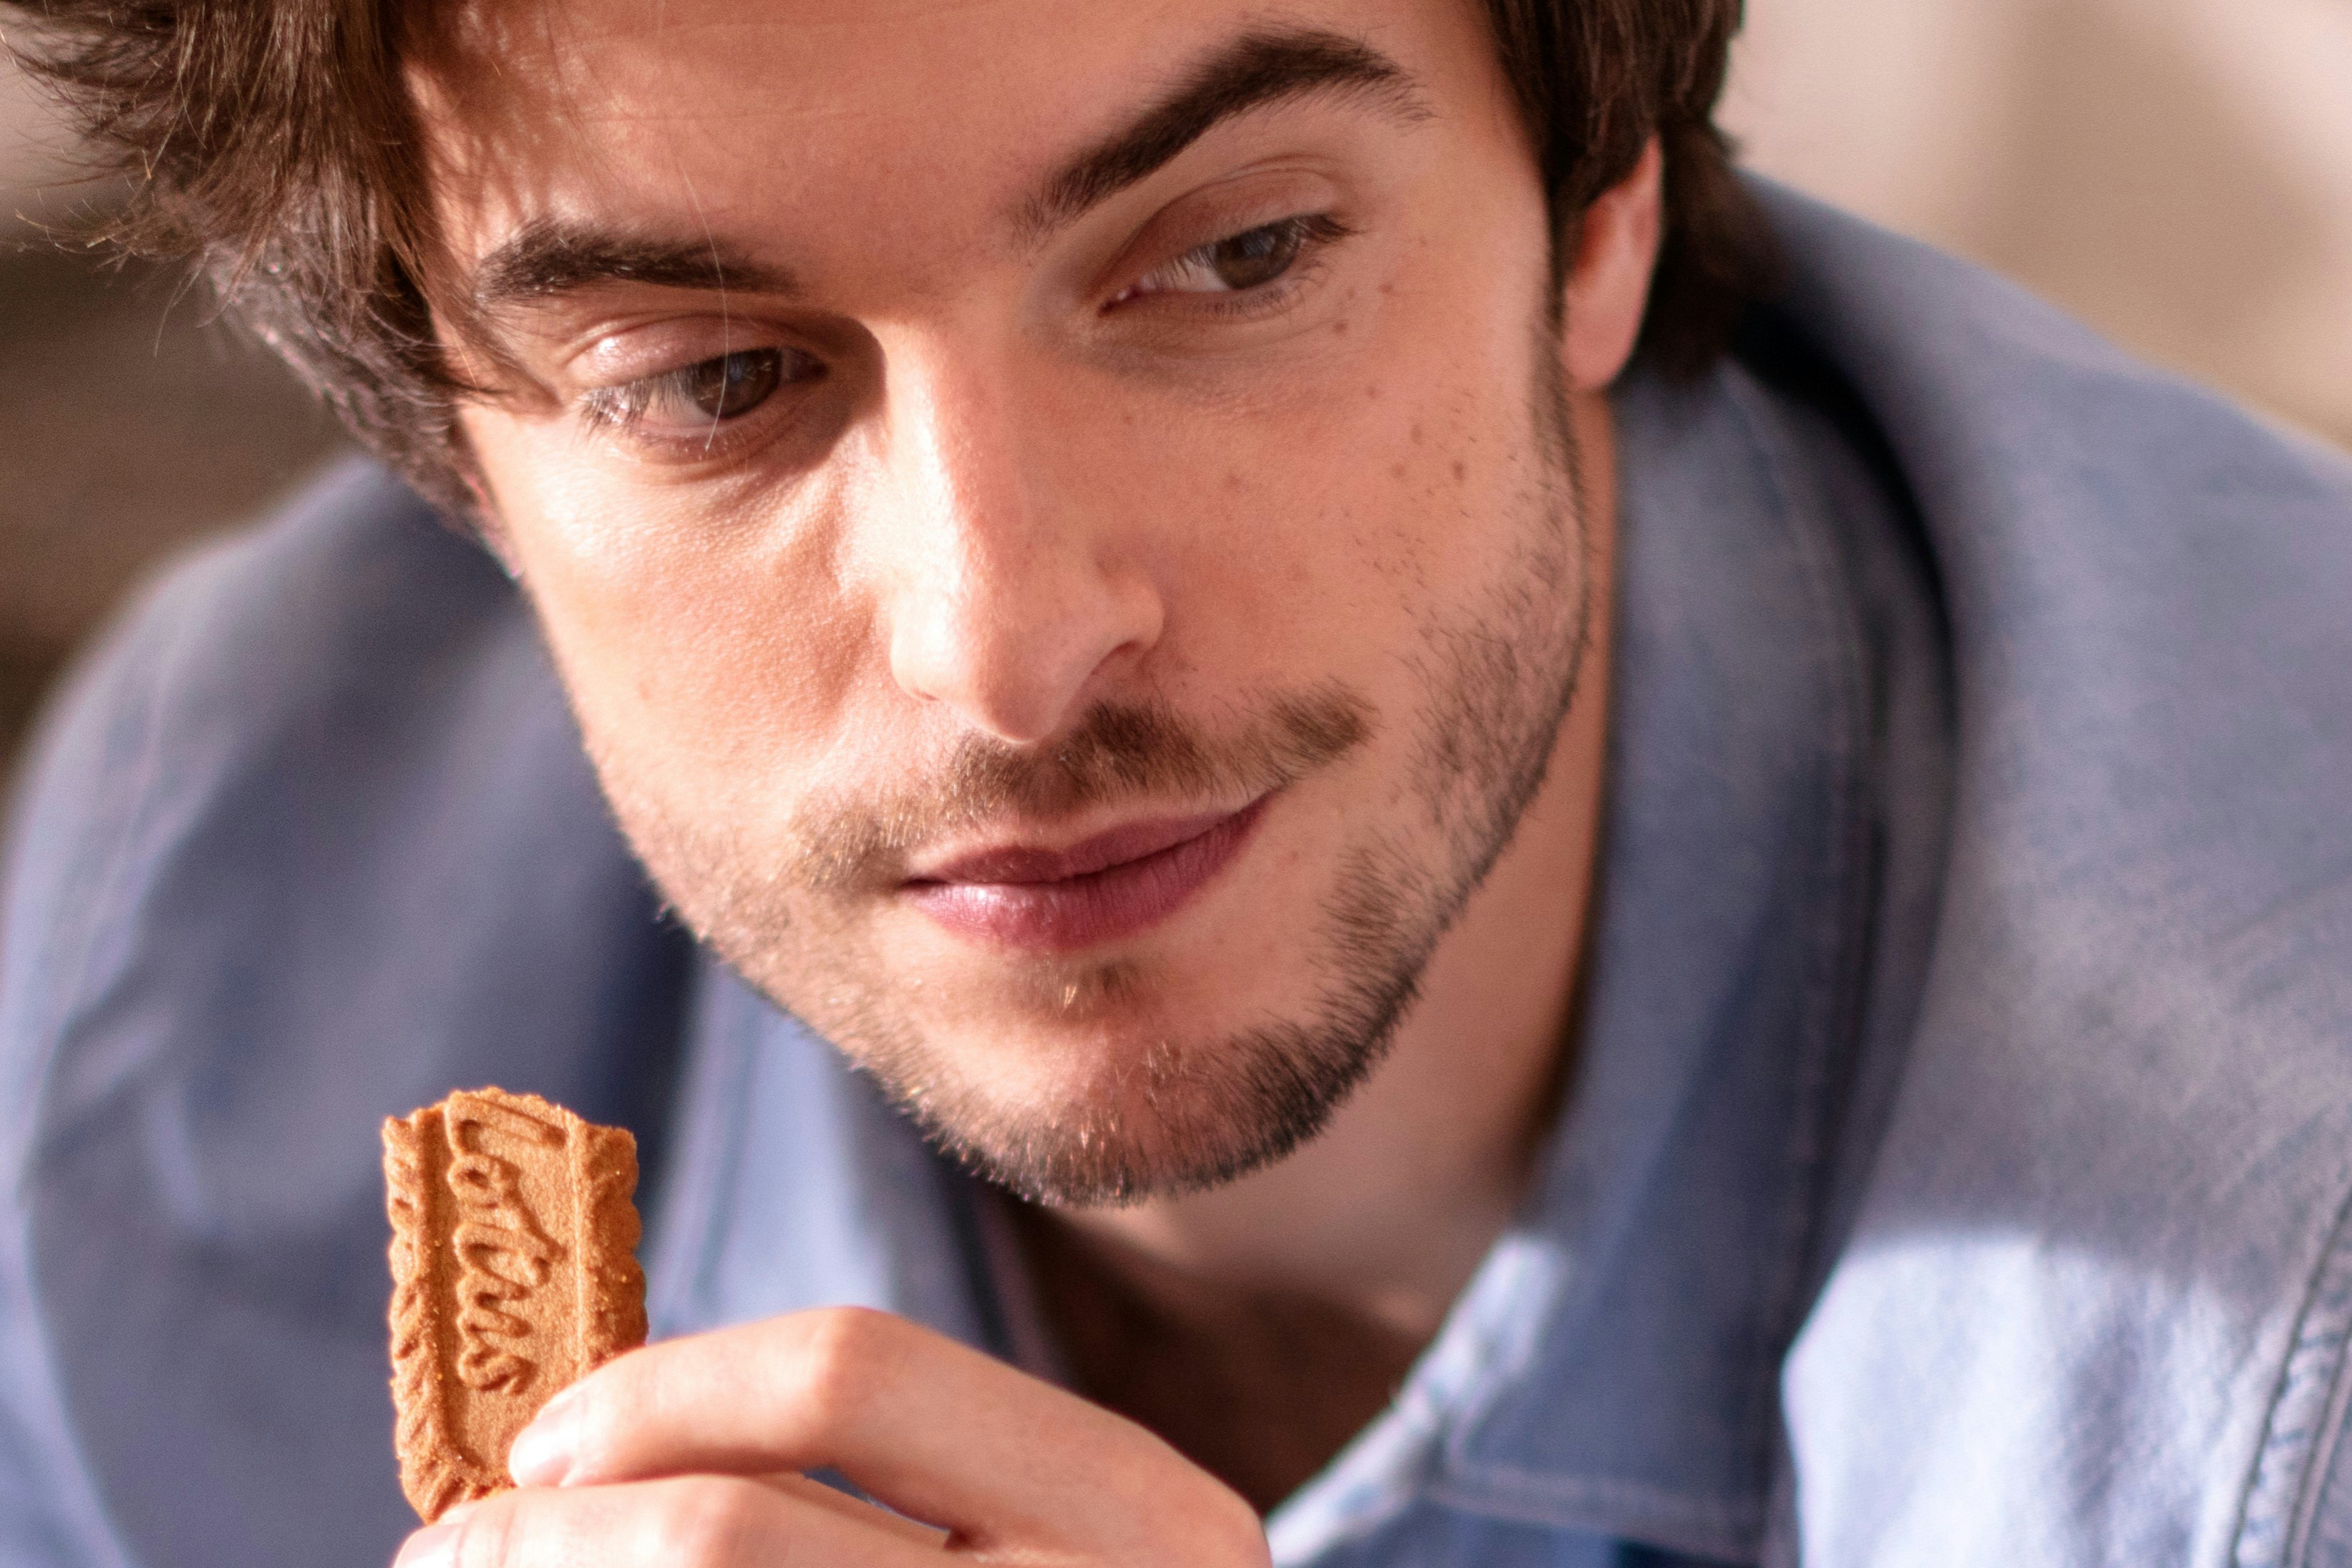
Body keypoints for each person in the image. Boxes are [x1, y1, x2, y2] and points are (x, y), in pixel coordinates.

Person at [1, 0, 2347, 1563]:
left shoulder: (2287, 1319)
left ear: (1600, 196)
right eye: (715, 382)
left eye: (1234, 256)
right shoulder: (196, 964)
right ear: (454, 463)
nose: (1008, 647)